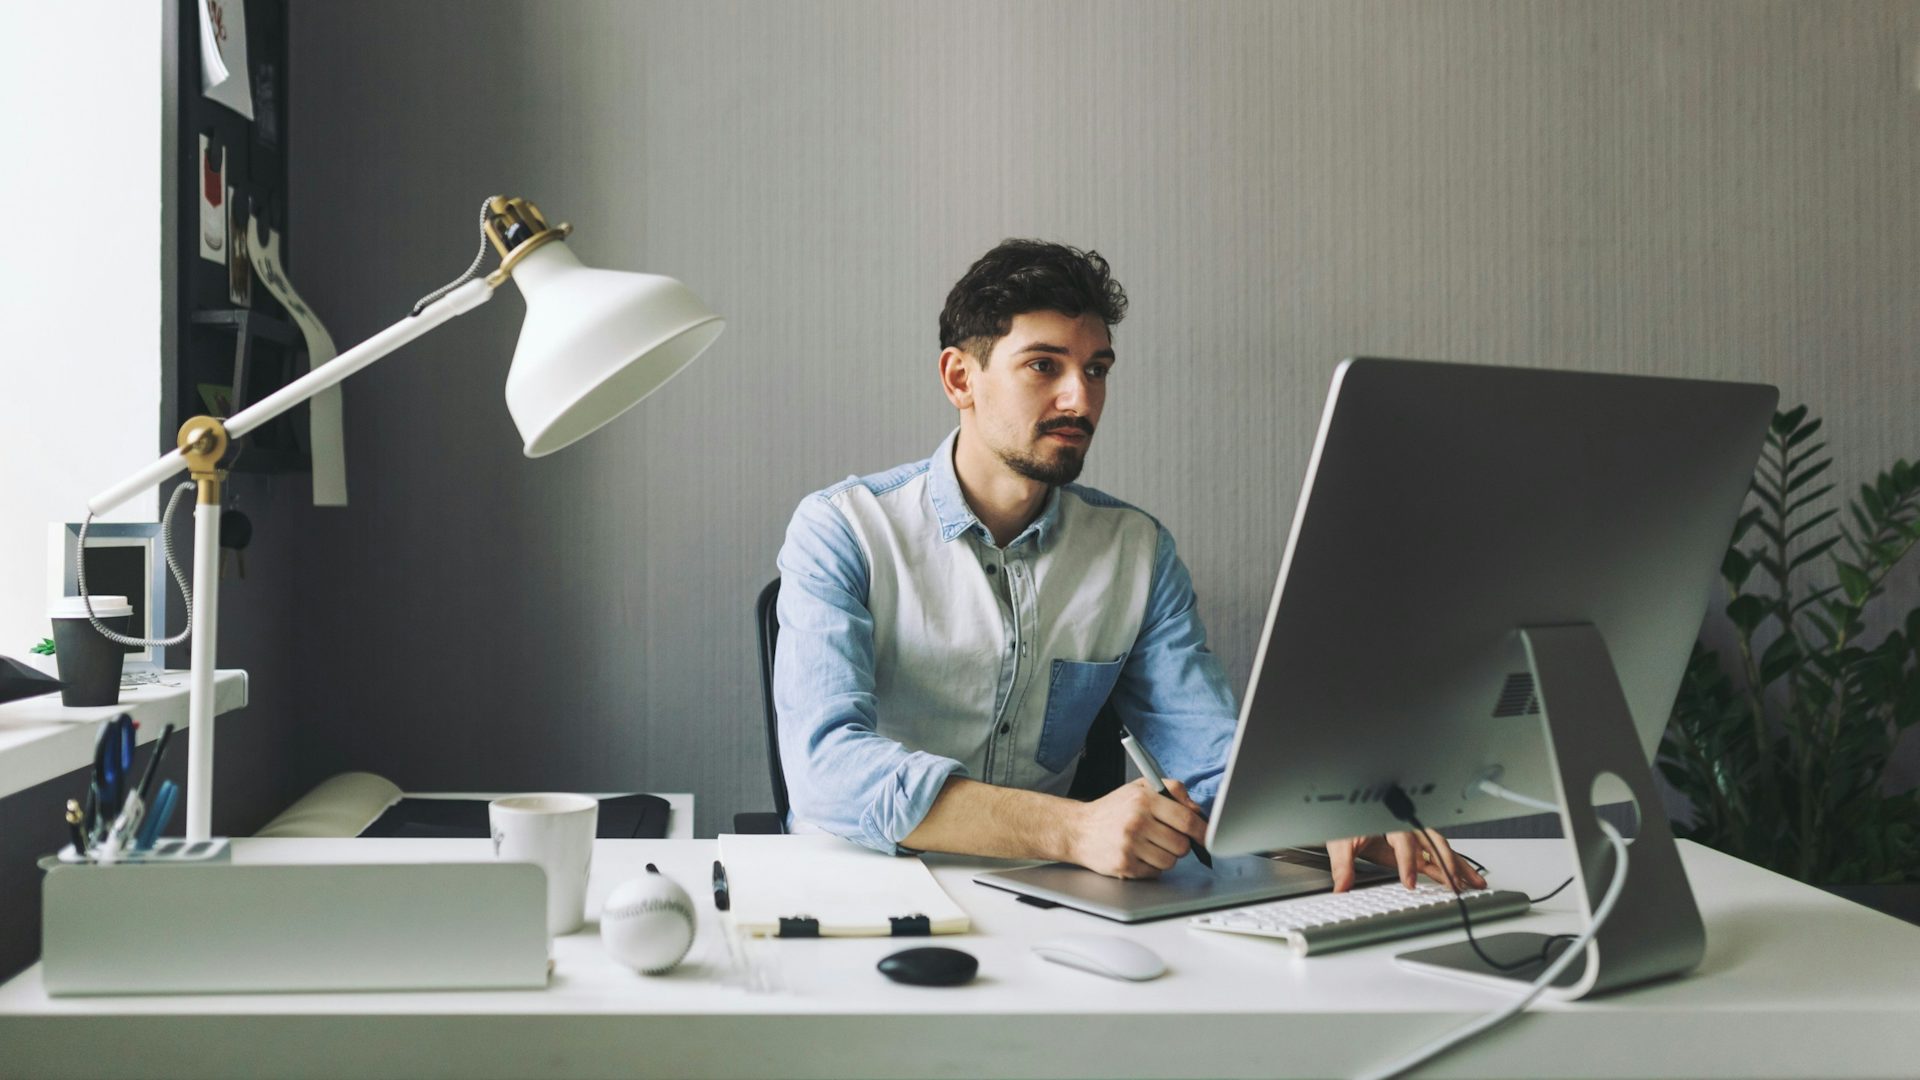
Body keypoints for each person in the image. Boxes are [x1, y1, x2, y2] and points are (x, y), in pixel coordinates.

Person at [773, 239, 1482, 891]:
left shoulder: (1136, 551)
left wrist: (1327, 808)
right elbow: (826, 772)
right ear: (961, 378)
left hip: (1043, 895)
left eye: (1097, 370)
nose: (1081, 398)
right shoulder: (842, 529)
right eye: (1044, 366)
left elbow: (1209, 757)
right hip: (859, 890)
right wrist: (1072, 825)